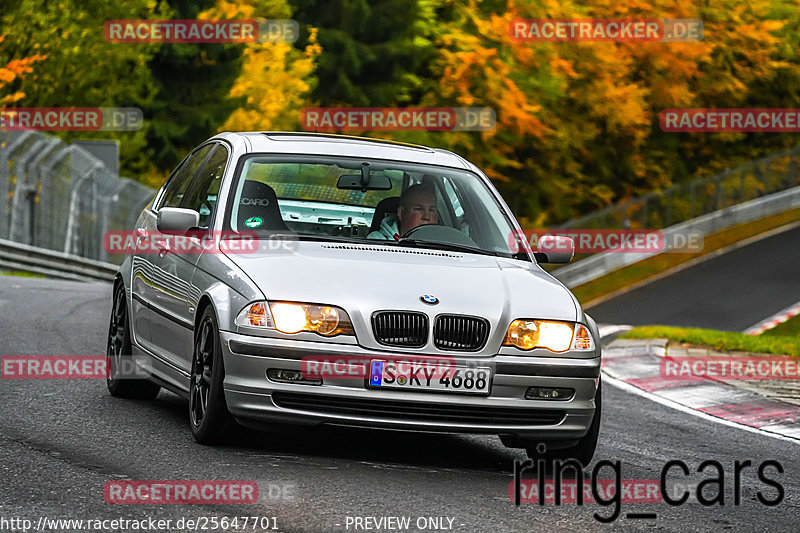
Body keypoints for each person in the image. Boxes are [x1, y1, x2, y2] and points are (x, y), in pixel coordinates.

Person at [368, 184, 439, 240]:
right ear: (401, 213)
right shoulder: (376, 242)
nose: (427, 217)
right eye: (419, 209)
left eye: (432, 210)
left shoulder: (445, 244)